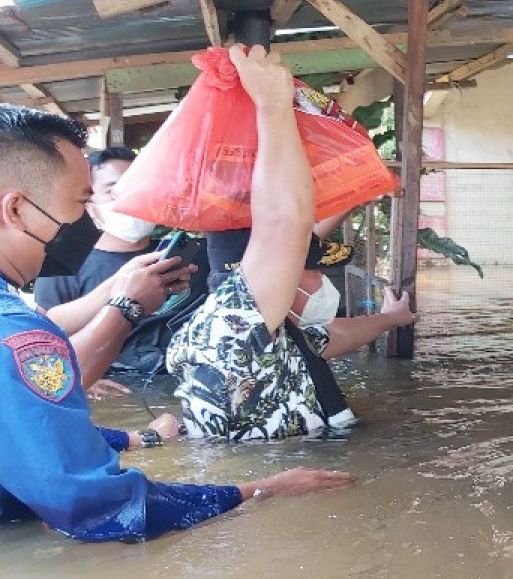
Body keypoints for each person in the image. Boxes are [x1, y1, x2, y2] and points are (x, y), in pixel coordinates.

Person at [0, 93, 353, 542]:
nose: (89, 218)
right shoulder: (18, 335)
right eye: (81, 200)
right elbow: (104, 510)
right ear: (15, 209)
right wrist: (260, 490)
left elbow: (30, 436)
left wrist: (137, 440)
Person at [166, 46, 415, 442]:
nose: (320, 285)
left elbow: (334, 337)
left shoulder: (276, 334)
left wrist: (392, 319)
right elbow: (285, 222)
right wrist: (272, 105)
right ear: (272, 271)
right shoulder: (233, 331)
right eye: (309, 268)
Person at [34, 147, 211, 377]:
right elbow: (43, 338)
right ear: (89, 203)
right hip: (116, 393)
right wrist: (83, 378)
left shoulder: (190, 255)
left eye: (138, 187)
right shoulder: (63, 265)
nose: (131, 198)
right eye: (113, 190)